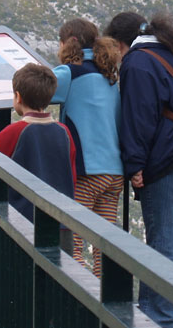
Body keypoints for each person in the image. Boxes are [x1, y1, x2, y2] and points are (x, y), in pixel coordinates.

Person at [106, 11, 173, 328]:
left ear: (121, 43)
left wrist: (135, 165)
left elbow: (139, 118)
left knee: (163, 245)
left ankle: (160, 320)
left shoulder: (138, 63)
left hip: (165, 162)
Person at [51, 17, 124, 276]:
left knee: (75, 245)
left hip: (85, 173)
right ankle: (106, 303)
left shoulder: (69, 73)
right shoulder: (110, 74)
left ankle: (82, 302)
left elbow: (37, 90)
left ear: (68, 43)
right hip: (114, 173)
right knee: (104, 248)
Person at [0, 62, 76, 222]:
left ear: (18, 96)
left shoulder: (14, 132)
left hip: (24, 220)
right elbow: (71, 174)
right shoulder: (64, 132)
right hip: (61, 219)